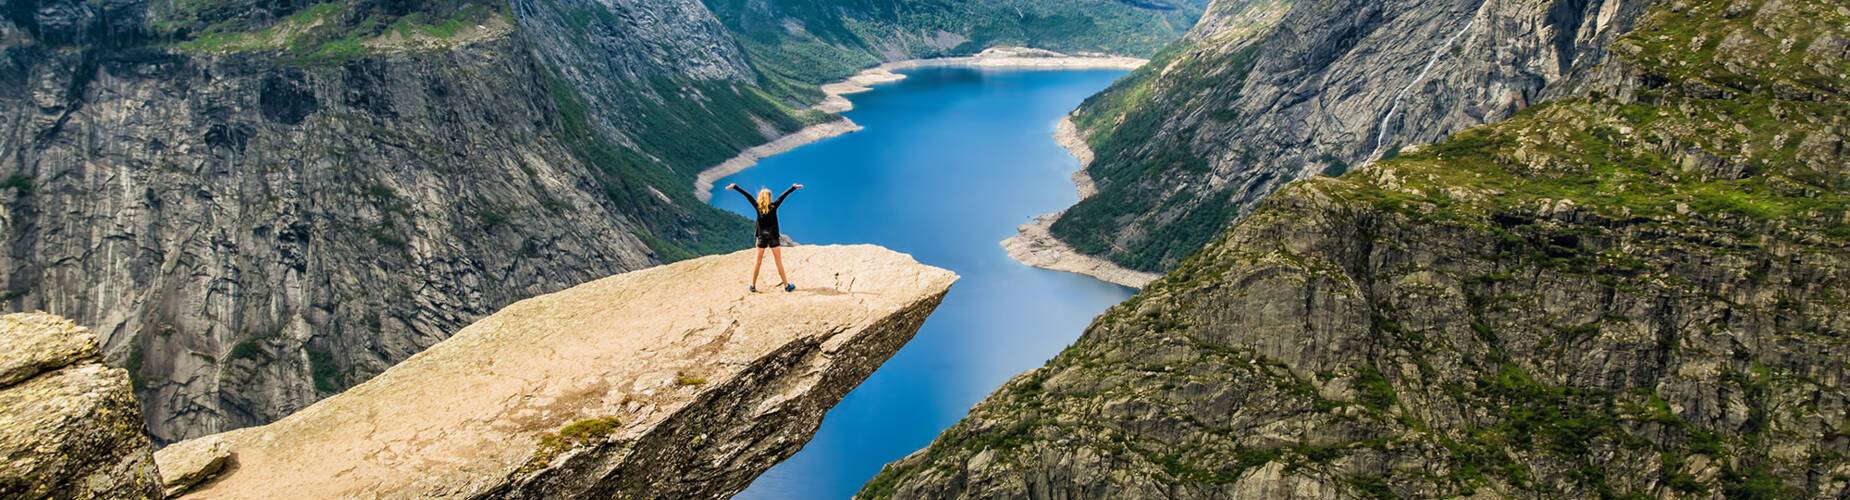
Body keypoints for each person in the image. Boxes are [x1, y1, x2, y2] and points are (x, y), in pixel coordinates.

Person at [728, 182, 802, 292]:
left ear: (760, 197)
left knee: (757, 262)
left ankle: (752, 286)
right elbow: (783, 196)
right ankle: (786, 286)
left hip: (761, 238)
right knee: (778, 262)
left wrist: (735, 187)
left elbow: (747, 196)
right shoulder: (774, 206)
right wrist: (793, 188)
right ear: (769, 198)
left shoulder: (757, 206)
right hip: (773, 237)